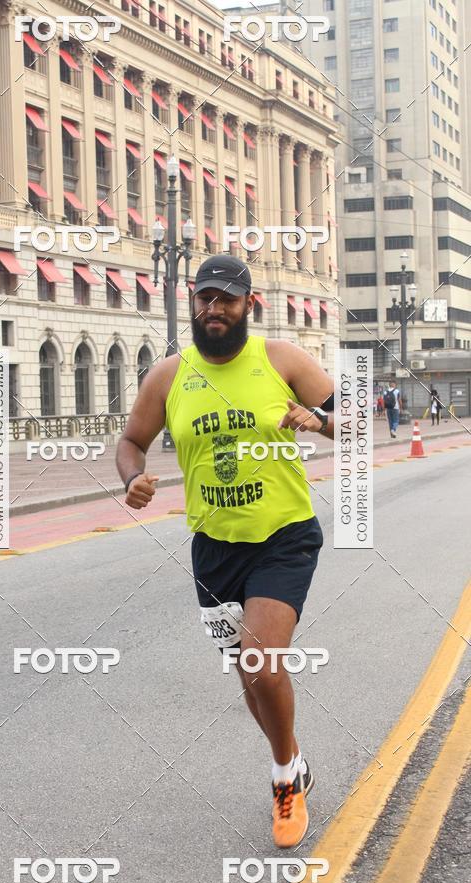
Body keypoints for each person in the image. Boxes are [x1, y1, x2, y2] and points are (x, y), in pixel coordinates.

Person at [116, 254, 335, 848]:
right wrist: (131, 478)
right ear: (193, 302)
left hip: (283, 536)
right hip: (213, 547)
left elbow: (355, 420)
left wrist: (318, 421)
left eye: (226, 299)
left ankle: (285, 777)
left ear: (247, 304)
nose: (214, 309)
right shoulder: (168, 375)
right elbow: (133, 440)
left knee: (263, 660)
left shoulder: (280, 359)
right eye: (204, 298)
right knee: (249, 676)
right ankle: (292, 756)